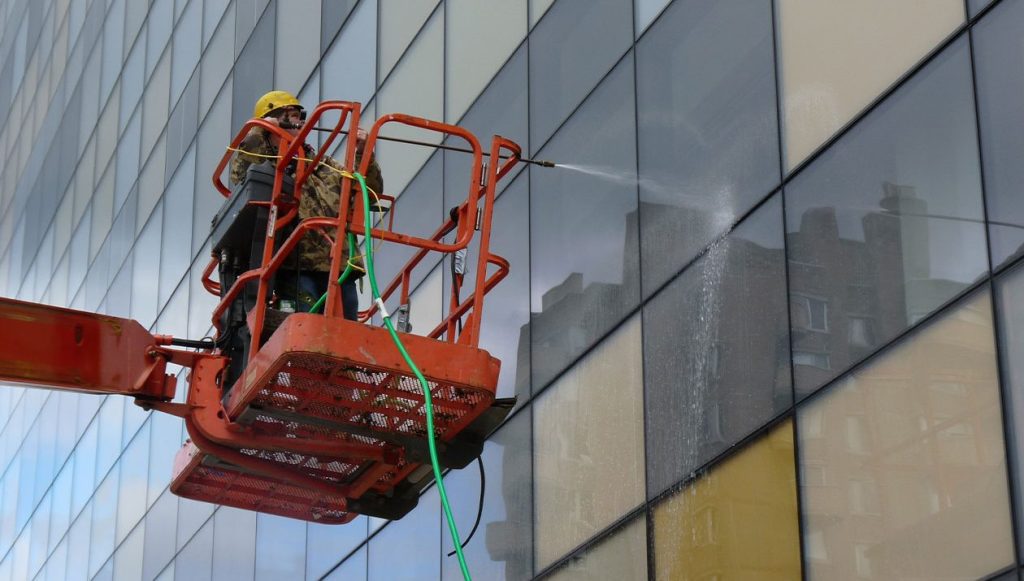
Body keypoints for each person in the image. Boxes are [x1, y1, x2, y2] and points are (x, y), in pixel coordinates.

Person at [229, 90, 384, 321]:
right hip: (296, 265)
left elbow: (367, 194)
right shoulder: (267, 163)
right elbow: (241, 175)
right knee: (306, 325)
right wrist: (258, 132)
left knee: (345, 330)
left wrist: (364, 155)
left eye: (299, 115)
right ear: (272, 118)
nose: (300, 122)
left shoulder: (323, 164)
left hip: (340, 264)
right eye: (291, 115)